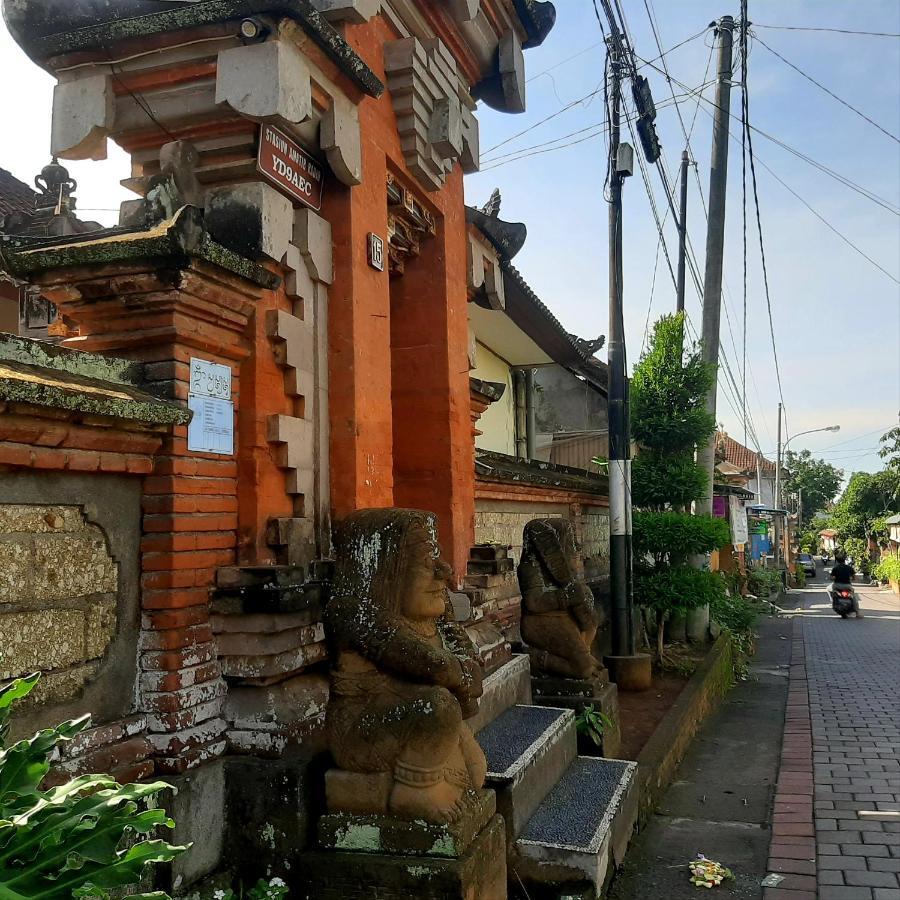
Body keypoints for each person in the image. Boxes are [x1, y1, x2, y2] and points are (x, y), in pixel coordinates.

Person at [830, 550, 863, 618]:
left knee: (828, 589)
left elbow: (832, 577)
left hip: (837, 585)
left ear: (838, 561)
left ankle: (833, 600)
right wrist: (851, 579)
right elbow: (854, 577)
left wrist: (834, 578)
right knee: (853, 597)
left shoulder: (835, 568)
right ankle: (857, 613)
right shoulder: (849, 568)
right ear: (844, 560)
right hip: (847, 586)